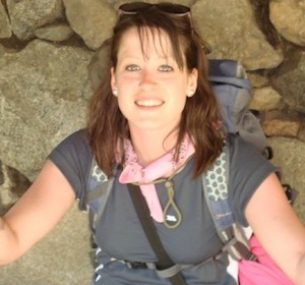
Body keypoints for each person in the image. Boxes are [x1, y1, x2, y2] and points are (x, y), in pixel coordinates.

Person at [0, 2, 305, 285]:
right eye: (133, 67)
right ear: (115, 81)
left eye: (165, 68)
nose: (147, 82)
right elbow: (11, 239)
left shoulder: (229, 165)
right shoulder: (88, 154)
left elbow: (296, 256)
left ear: (190, 81)